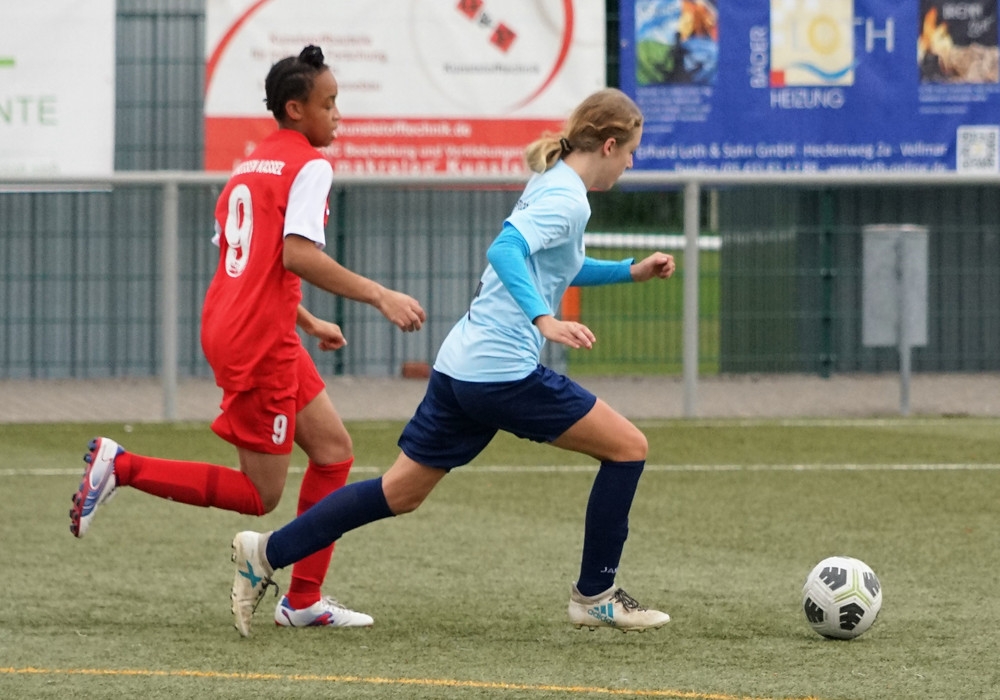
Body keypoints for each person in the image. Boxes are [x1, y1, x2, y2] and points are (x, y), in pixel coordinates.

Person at [230, 87, 676, 637]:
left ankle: (266, 551)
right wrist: (544, 320)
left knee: (400, 492)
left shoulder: (554, 181)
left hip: (461, 366)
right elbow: (505, 252)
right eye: (631, 151)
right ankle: (596, 595)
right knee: (629, 448)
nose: (631, 163)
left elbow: (555, 267)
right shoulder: (568, 197)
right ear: (609, 145)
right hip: (502, 374)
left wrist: (631, 270)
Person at [69, 45, 426, 629]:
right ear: (295, 109)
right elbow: (296, 255)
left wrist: (305, 320)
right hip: (258, 340)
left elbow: (252, 262)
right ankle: (123, 466)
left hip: (241, 323)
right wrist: (379, 294)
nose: (338, 114)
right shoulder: (311, 165)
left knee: (333, 452)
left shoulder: (251, 164)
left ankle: (304, 600)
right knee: (261, 495)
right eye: (329, 103)